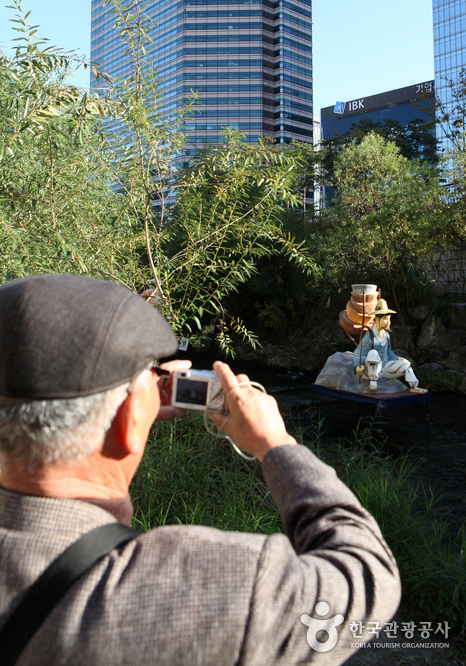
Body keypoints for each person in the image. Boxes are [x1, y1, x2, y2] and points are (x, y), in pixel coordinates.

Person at [0, 274, 401, 665]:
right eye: (150, 376)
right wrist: (275, 445)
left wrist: (130, 412)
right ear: (126, 422)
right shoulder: (212, 583)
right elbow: (367, 578)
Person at [353, 299, 423, 392]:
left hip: (385, 368)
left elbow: (389, 353)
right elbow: (358, 353)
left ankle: (413, 386)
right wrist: (358, 366)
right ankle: (373, 381)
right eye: (385, 319)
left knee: (406, 364)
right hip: (370, 370)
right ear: (377, 319)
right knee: (373, 353)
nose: (388, 322)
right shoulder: (369, 335)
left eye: (389, 319)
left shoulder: (386, 335)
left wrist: (398, 358)